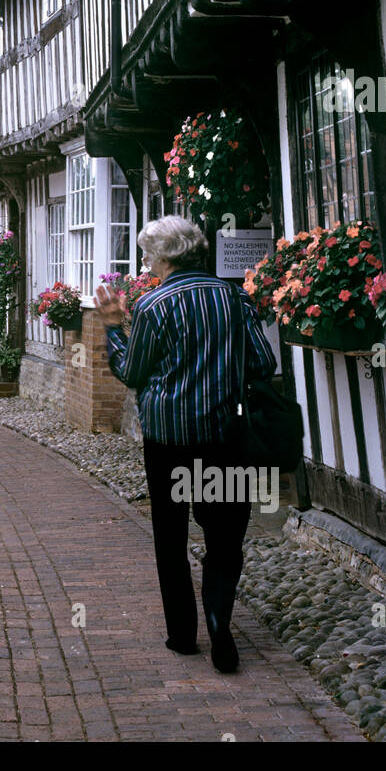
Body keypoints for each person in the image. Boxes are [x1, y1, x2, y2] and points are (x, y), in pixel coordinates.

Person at [94, 216, 276, 673]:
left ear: (165, 256)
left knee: (171, 537)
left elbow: (133, 373)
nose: (144, 263)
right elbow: (263, 360)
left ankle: (182, 634)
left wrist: (115, 328)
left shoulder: (153, 306)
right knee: (224, 536)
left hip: (169, 439)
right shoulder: (233, 297)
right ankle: (219, 622)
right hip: (224, 437)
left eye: (146, 254)